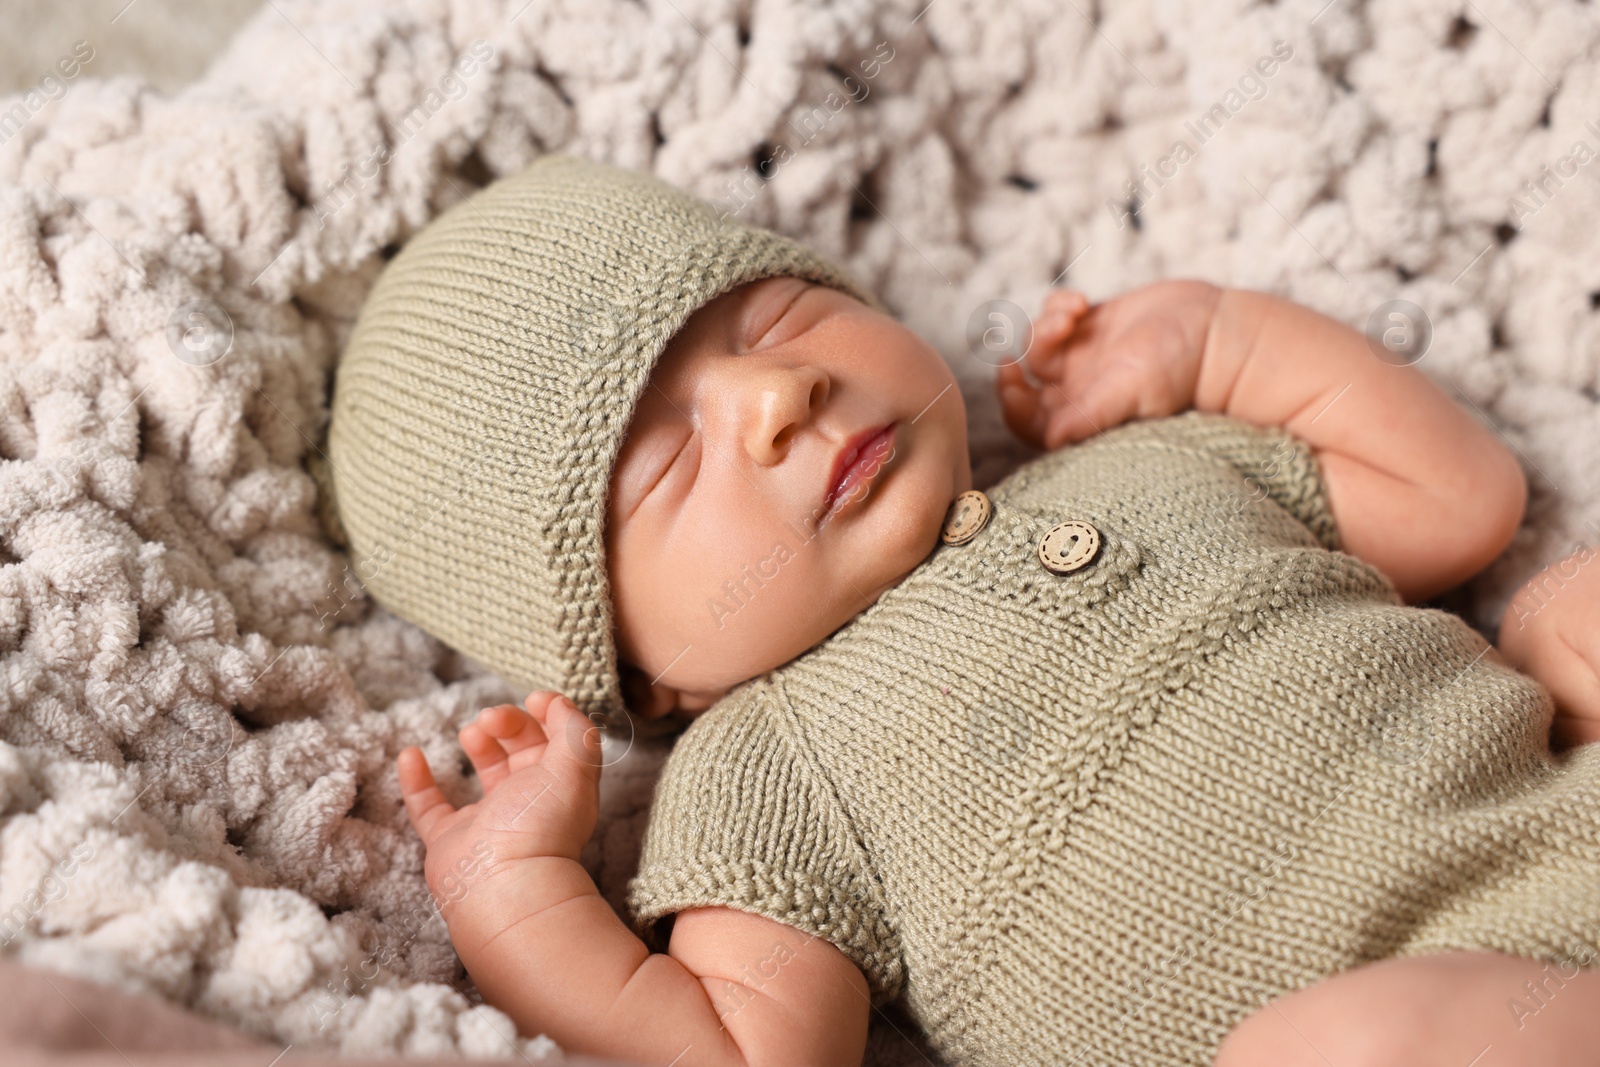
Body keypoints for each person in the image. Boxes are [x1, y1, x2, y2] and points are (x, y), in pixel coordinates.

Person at [309, 152, 1600, 1066]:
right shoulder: (765, 770)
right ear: (645, 676)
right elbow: (747, 1051)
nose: (775, 396)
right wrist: (514, 892)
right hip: (1393, 1031)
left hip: (1563, 839)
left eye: (777, 317)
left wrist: (1219, 346)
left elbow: (1458, 498)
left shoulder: (1144, 465)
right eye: (665, 464)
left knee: (1569, 605)